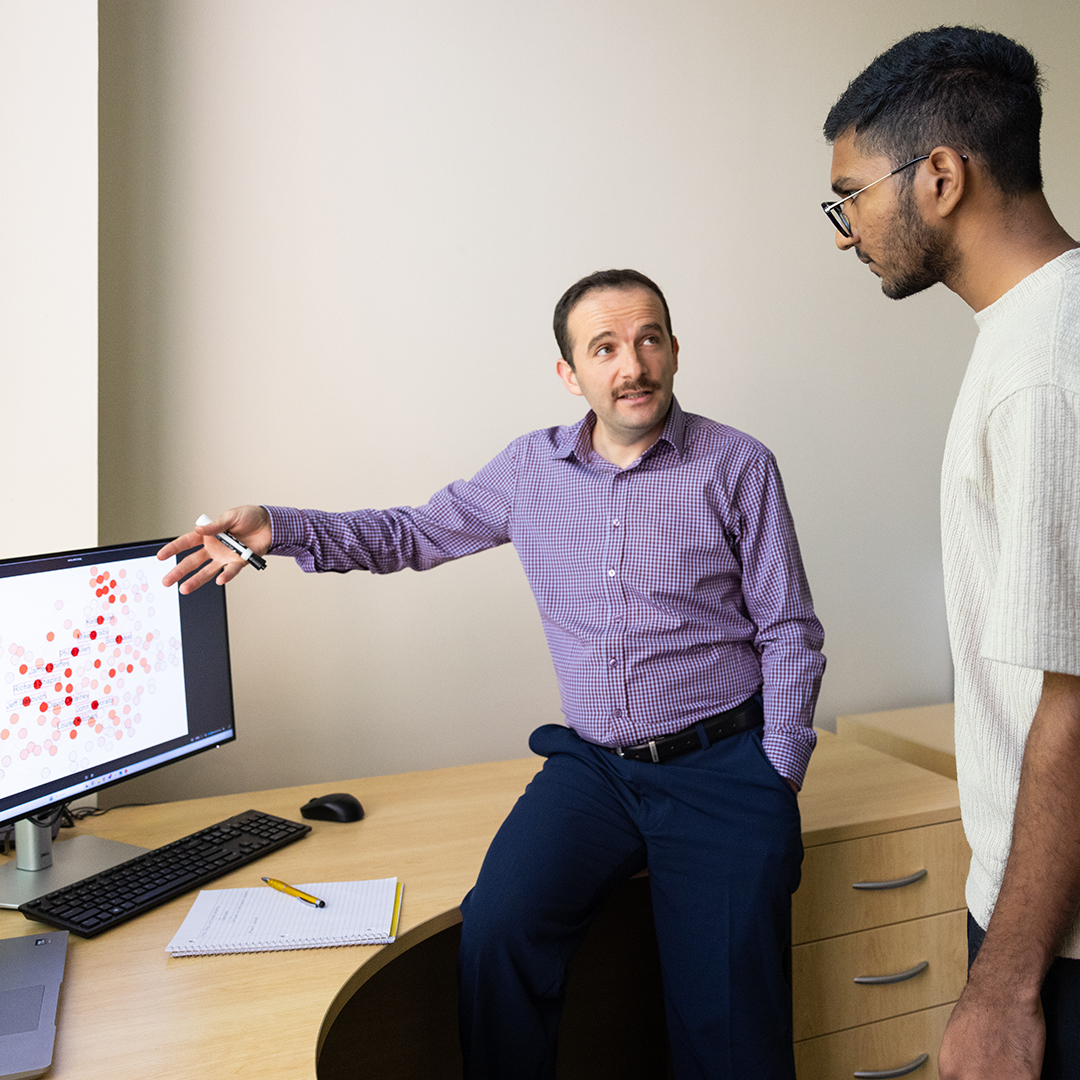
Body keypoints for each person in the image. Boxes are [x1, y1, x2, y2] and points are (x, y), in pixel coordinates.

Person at [159, 268, 825, 1079]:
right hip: (595, 771)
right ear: (569, 374)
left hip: (721, 768)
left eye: (648, 339)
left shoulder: (738, 464)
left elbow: (789, 628)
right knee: (498, 933)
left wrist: (777, 772)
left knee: (730, 1027)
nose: (632, 365)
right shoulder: (529, 471)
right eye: (604, 348)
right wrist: (281, 526)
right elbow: (413, 534)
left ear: (675, 350)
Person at [822, 27, 1080, 1080]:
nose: (845, 232)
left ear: (939, 176)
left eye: (850, 196)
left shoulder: (1043, 373)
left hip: (1053, 941)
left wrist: (1004, 989)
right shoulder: (1033, 332)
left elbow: (1074, 702)